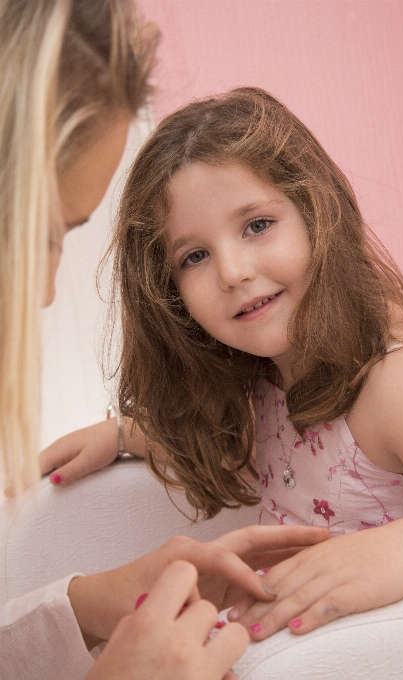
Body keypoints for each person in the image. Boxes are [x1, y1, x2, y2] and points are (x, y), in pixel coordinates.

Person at [42, 86, 403, 644]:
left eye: (257, 225)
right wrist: (120, 434)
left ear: (317, 214)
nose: (232, 271)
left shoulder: (401, 385)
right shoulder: (269, 385)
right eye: (194, 256)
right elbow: (235, 447)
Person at [0, 4, 328, 677]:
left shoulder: (401, 384)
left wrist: (84, 603)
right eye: (42, 235)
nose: (43, 292)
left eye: (258, 225)